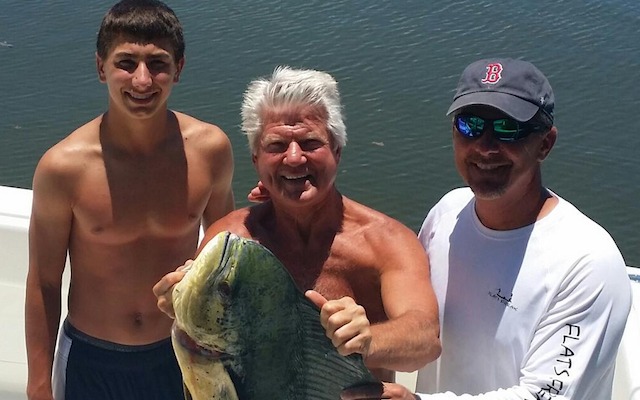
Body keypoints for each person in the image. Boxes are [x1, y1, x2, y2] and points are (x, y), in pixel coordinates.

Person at [357, 58, 632, 399]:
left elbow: (545, 395)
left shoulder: (588, 262)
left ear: (545, 143)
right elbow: (404, 304)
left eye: (507, 129)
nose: (485, 147)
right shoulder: (447, 213)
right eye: (470, 126)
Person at [153, 65, 442, 384]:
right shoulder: (231, 242)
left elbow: (425, 339)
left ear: (337, 151)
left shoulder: (384, 242)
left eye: (309, 143)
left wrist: (367, 339)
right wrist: (182, 308)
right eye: (276, 146)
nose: (293, 158)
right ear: (255, 159)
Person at [25, 1, 235, 399]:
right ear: (101, 67)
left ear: (179, 68)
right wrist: (38, 383)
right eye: (126, 63)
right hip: (90, 357)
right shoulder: (63, 167)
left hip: (179, 353)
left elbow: (224, 257)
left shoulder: (210, 150)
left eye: (157, 63)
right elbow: (43, 281)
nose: (142, 81)